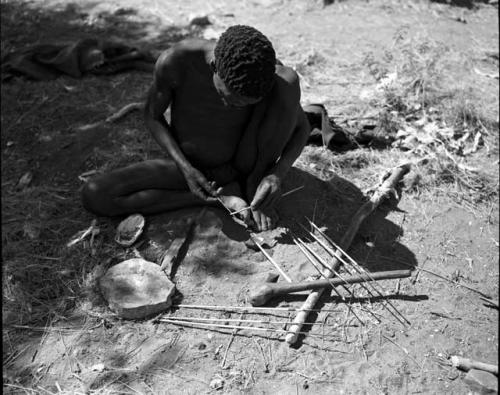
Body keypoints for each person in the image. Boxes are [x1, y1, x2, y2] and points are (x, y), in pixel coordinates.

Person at [82, 25, 310, 232]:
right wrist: (186, 169)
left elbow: (302, 129)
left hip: (247, 168)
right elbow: (152, 115)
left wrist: (276, 174)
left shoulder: (270, 78)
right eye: (226, 98)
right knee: (96, 195)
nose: (230, 107)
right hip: (193, 167)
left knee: (288, 83)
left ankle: (250, 187)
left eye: (244, 104)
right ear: (214, 67)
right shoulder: (177, 61)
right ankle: (217, 199)